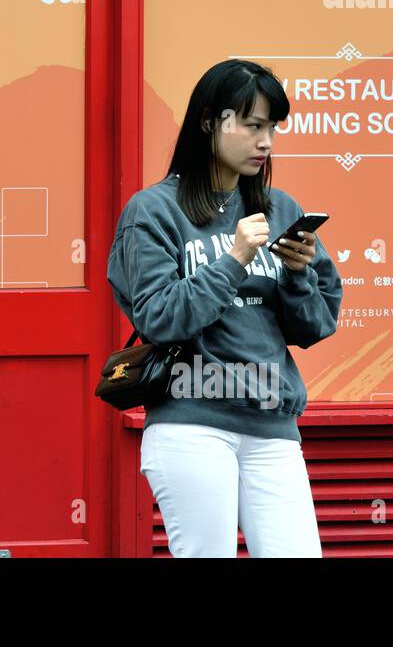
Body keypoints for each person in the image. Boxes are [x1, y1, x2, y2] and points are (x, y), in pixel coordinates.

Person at [107, 58, 343, 557]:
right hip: (190, 422)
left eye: (273, 128)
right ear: (211, 122)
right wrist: (235, 258)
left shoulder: (280, 209)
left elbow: (317, 325)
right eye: (254, 126)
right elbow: (158, 317)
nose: (267, 143)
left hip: (273, 424)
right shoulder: (153, 211)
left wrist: (299, 273)